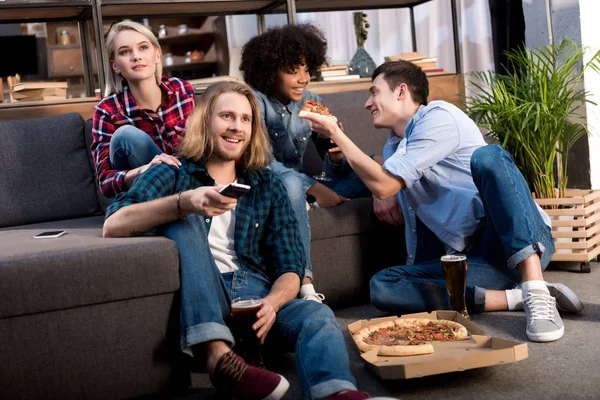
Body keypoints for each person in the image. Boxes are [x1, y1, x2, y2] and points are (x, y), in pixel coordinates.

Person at [102, 81, 367, 400]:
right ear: (205, 120)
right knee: (181, 222)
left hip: (257, 299)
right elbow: (113, 224)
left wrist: (274, 302)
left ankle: (335, 392)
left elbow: (291, 265)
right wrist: (184, 202)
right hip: (200, 301)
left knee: (317, 315)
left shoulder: (267, 183)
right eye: (226, 116)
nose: (236, 127)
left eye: (245, 119)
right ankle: (219, 358)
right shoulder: (173, 172)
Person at [301, 60, 584, 343]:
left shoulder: (440, 116)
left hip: (511, 240)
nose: (367, 103)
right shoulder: (394, 146)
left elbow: (385, 184)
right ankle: (516, 297)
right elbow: (377, 182)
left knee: (489, 157)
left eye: (374, 92)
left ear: (401, 91)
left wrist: (338, 134)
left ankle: (534, 287)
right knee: (384, 286)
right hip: (474, 261)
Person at [239, 24, 369, 302]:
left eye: (307, 69)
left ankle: (312, 201)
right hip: (268, 188)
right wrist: (313, 187)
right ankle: (305, 283)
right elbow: (258, 161)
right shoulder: (253, 102)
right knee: (291, 183)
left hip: (304, 185)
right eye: (292, 70)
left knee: (373, 168)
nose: (303, 79)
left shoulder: (312, 102)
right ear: (269, 70)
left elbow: (329, 166)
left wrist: (335, 155)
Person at [91, 19, 195, 198]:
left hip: (189, 184)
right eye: (125, 52)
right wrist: (145, 169)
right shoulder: (106, 111)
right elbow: (106, 183)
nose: (136, 56)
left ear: (157, 55)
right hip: (145, 193)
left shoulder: (182, 90)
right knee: (126, 135)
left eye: (143, 47)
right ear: (115, 65)